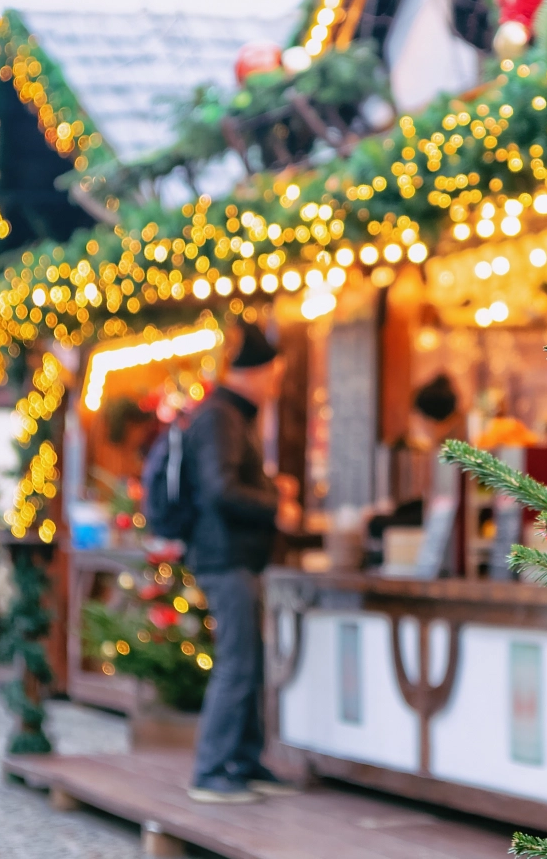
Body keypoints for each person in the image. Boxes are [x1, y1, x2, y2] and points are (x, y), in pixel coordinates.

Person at [184, 320, 302, 803]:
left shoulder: (230, 416)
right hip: (224, 557)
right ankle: (211, 769)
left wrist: (272, 488)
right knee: (236, 662)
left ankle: (244, 761)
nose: (275, 384)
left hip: (236, 558)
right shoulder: (220, 417)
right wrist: (277, 505)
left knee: (247, 660)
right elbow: (219, 489)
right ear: (250, 373)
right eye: (272, 374)